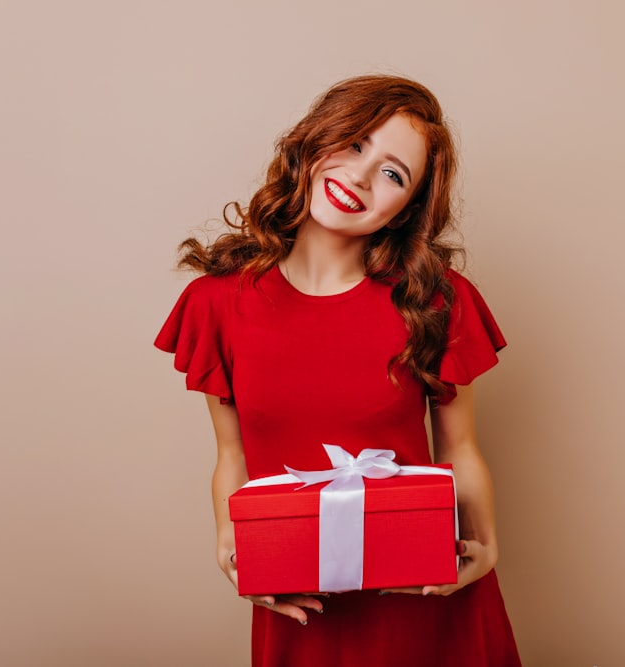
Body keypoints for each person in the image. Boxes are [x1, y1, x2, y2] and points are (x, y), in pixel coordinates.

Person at [155, 74, 521, 666]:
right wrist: (232, 547)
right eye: (354, 144)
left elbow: (459, 449)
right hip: (302, 600)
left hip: (425, 597)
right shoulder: (216, 303)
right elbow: (233, 457)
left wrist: (487, 546)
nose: (360, 176)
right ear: (313, 140)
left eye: (393, 173)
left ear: (408, 208)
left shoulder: (437, 301)